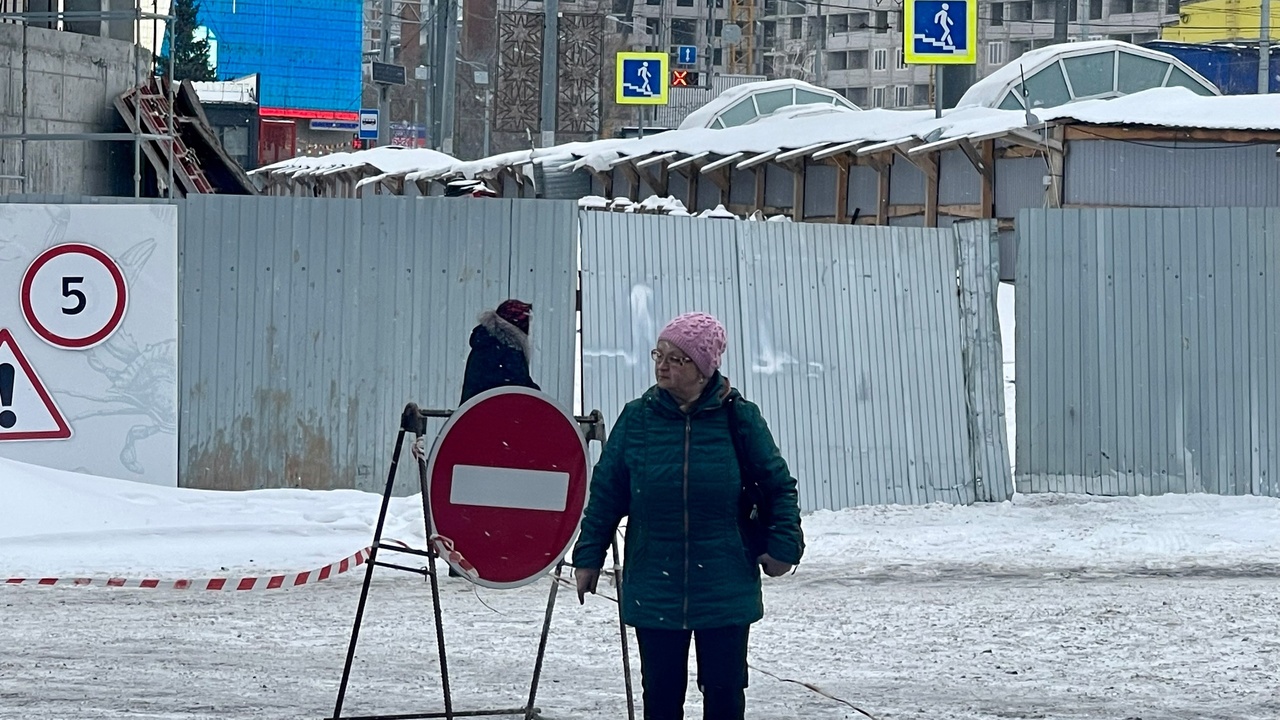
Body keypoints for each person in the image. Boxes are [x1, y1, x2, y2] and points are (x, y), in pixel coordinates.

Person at [572, 311, 804, 720]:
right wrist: (588, 557)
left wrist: (785, 546)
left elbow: (777, 485)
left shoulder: (739, 418)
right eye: (658, 354)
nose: (662, 365)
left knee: (725, 695)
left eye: (676, 358)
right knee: (660, 699)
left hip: (724, 582)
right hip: (655, 582)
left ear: (703, 368)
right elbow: (607, 493)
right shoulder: (637, 419)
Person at [459, 298, 540, 404]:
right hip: (495, 411)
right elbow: (519, 383)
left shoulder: (486, 343)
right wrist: (537, 395)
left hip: (476, 410)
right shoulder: (508, 349)